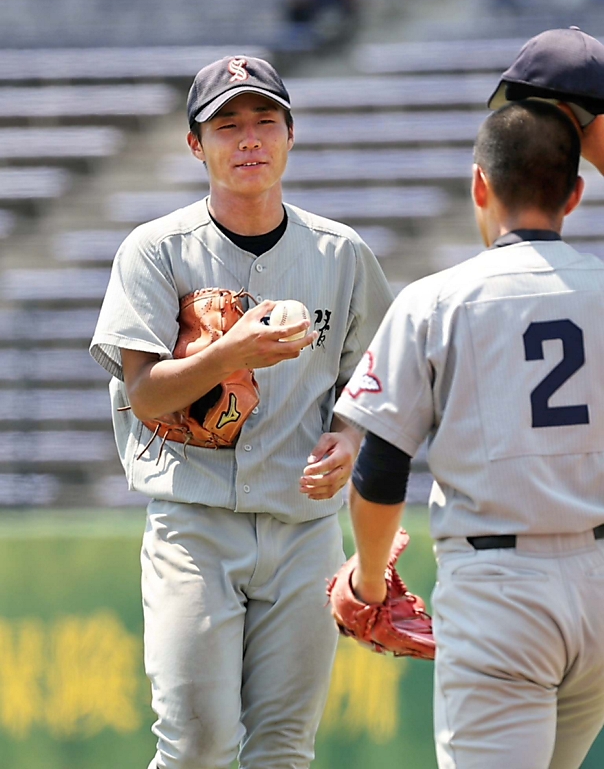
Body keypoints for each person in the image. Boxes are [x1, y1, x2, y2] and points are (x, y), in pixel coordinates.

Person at [89, 54, 392, 769]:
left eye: (264, 121)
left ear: (291, 135)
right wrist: (231, 355)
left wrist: (349, 439)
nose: (248, 139)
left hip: (306, 530)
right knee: (196, 748)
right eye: (227, 126)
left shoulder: (341, 253)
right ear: (196, 145)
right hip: (194, 527)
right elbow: (146, 394)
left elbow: (375, 384)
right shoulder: (155, 251)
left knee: (284, 751)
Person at [333, 99, 604, 769]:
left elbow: (380, 470)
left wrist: (370, 582)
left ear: (480, 185)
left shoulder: (434, 301)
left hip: (501, 593)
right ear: (574, 194)